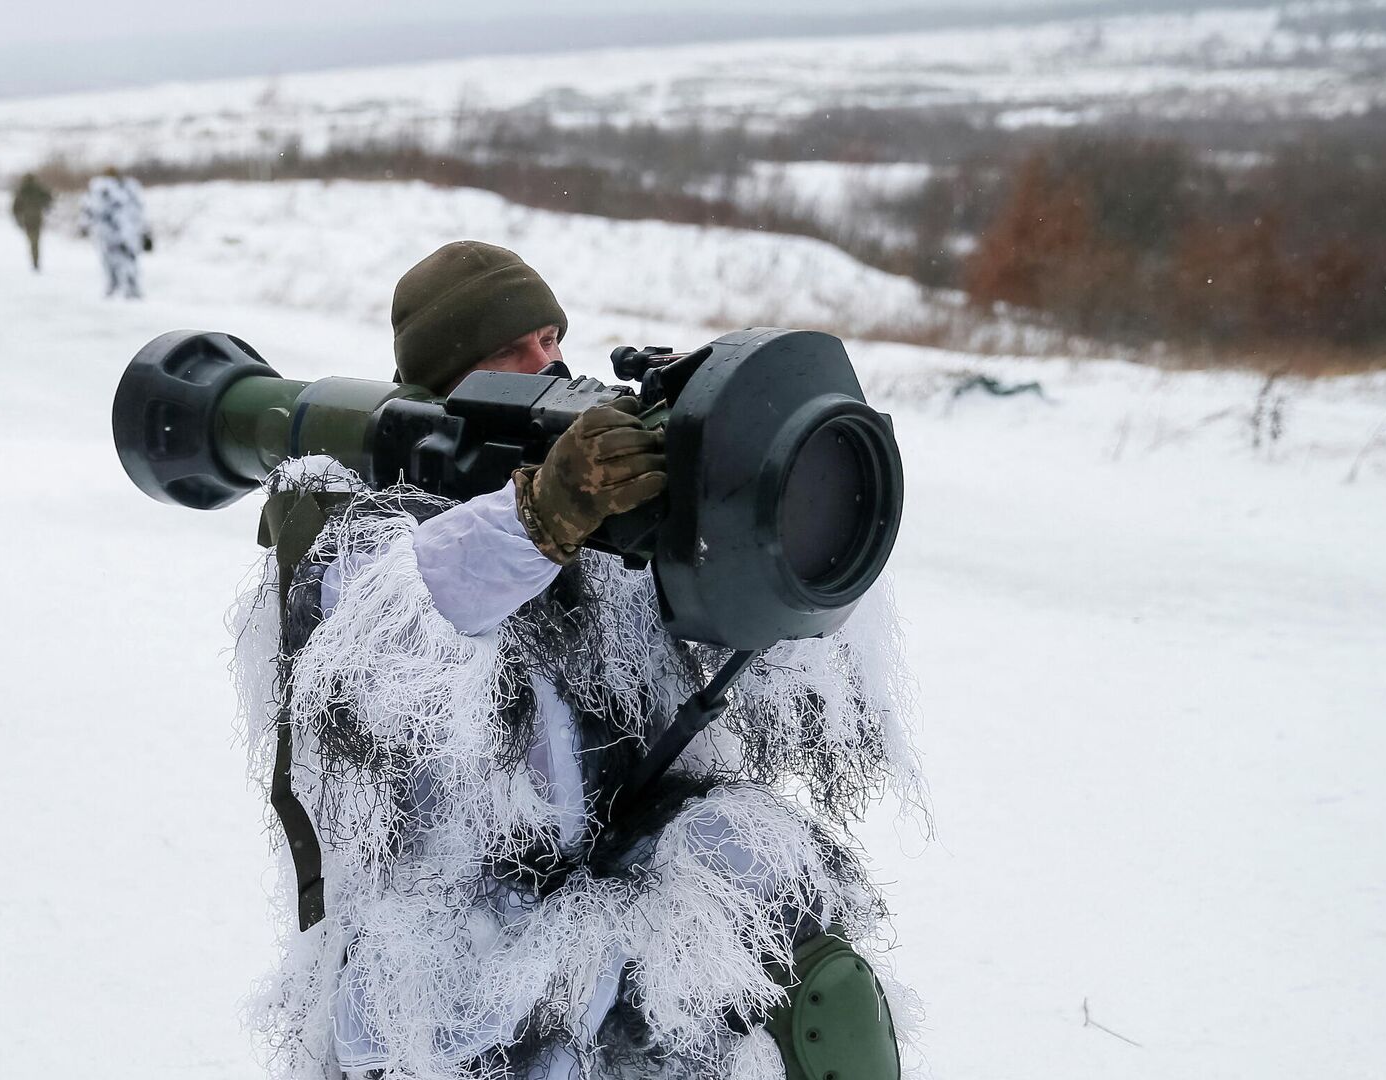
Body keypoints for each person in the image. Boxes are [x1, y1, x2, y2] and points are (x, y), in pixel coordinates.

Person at [233, 241, 923, 1080]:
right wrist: (538, 518)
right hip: (460, 974)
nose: (548, 363)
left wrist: (762, 510)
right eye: (510, 350)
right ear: (448, 384)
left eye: (551, 337)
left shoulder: (602, 520)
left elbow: (766, 676)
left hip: (618, 914)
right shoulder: (364, 531)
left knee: (805, 959)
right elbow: (406, 624)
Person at [79, 168, 148, 298]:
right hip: (127, 232)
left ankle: (117, 286)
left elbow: (90, 210)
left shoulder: (100, 190)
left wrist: (84, 226)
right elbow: (139, 210)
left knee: (111, 262)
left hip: (109, 233)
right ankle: (128, 287)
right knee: (127, 260)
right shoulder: (128, 189)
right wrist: (142, 229)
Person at [10, 173, 52, 271]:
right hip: (34, 219)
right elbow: (48, 199)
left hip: (29, 220)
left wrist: (18, 219)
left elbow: (15, 208)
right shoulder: (34, 190)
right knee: (35, 242)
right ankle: (35, 261)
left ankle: (35, 261)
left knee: (33, 242)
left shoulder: (24, 191)